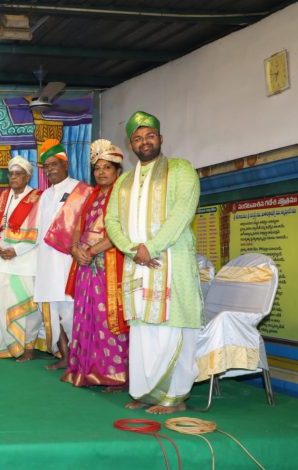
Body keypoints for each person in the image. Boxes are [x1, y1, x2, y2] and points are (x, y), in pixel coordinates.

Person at [104, 111, 202, 414]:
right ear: (131, 144)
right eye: (137, 138)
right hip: (137, 263)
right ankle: (145, 392)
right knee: (143, 331)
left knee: (173, 327)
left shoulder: (181, 169)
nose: (144, 142)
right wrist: (132, 249)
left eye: (149, 136)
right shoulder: (123, 181)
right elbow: (111, 221)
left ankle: (174, 397)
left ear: (160, 138)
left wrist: (152, 247)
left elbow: (183, 212)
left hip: (172, 261)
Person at [62, 139, 129, 390]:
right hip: (86, 265)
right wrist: (75, 249)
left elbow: (120, 233)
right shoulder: (91, 196)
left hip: (108, 265)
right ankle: (87, 370)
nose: (101, 172)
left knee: (108, 319)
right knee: (85, 317)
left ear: (117, 171)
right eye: (97, 168)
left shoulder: (122, 196)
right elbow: (78, 229)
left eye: (107, 167)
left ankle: (115, 374)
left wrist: (90, 251)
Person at [34, 139, 93, 370]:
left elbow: (88, 227)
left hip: (69, 262)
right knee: (53, 312)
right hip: (46, 262)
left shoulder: (82, 191)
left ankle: (81, 359)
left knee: (70, 312)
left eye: (54, 164)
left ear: (65, 164)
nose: (50, 170)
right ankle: (65, 357)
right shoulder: (45, 195)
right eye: (46, 166)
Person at [0, 156, 43, 362]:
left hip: (25, 262)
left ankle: (28, 347)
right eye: (11, 174)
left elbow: (40, 230)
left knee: (26, 306)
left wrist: (16, 251)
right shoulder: (4, 197)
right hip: (3, 260)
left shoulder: (37, 198)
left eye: (18, 174)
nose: (13, 178)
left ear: (27, 177)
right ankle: (6, 345)